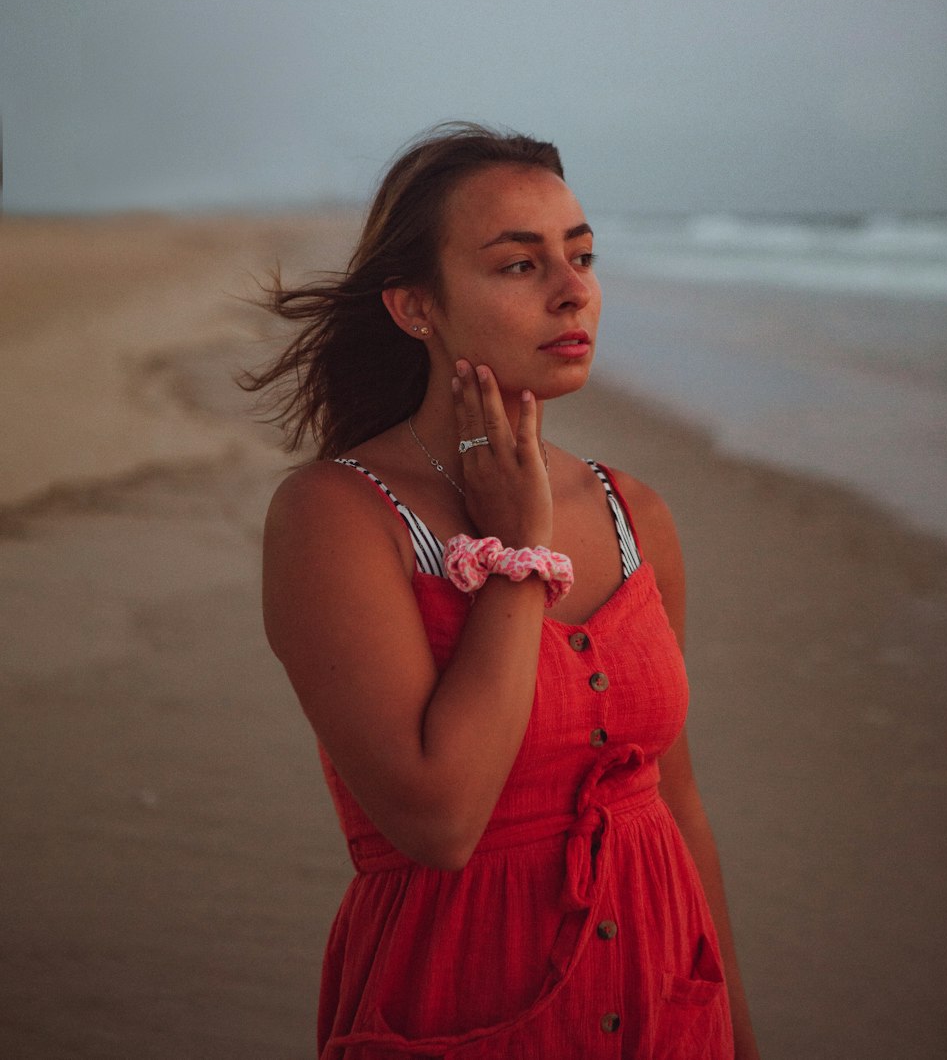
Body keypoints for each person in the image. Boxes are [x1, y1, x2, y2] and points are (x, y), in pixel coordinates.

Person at [250, 123, 760, 1058]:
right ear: (416, 308)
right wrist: (517, 554)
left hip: (667, 1008)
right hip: (464, 1007)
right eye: (520, 266)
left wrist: (736, 1033)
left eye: (583, 255)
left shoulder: (632, 511)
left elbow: (677, 804)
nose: (575, 290)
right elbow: (438, 820)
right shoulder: (336, 517)